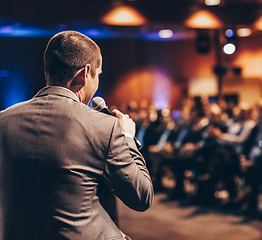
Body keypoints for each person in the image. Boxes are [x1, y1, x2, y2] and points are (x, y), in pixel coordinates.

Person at [0, 31, 153, 240]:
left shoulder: (3, 120)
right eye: (98, 75)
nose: (97, 82)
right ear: (85, 73)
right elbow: (141, 197)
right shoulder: (103, 126)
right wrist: (126, 137)